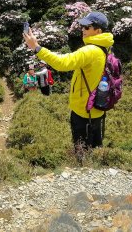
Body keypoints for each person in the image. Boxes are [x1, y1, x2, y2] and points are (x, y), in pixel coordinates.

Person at [23, 11, 114, 150]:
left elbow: (62, 63)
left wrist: (36, 48)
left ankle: (84, 169)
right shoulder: (106, 47)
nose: (82, 30)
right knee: (95, 146)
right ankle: (96, 168)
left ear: (98, 30)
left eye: (87, 27)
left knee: (81, 149)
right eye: (82, 26)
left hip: (83, 111)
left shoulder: (89, 51)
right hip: (98, 107)